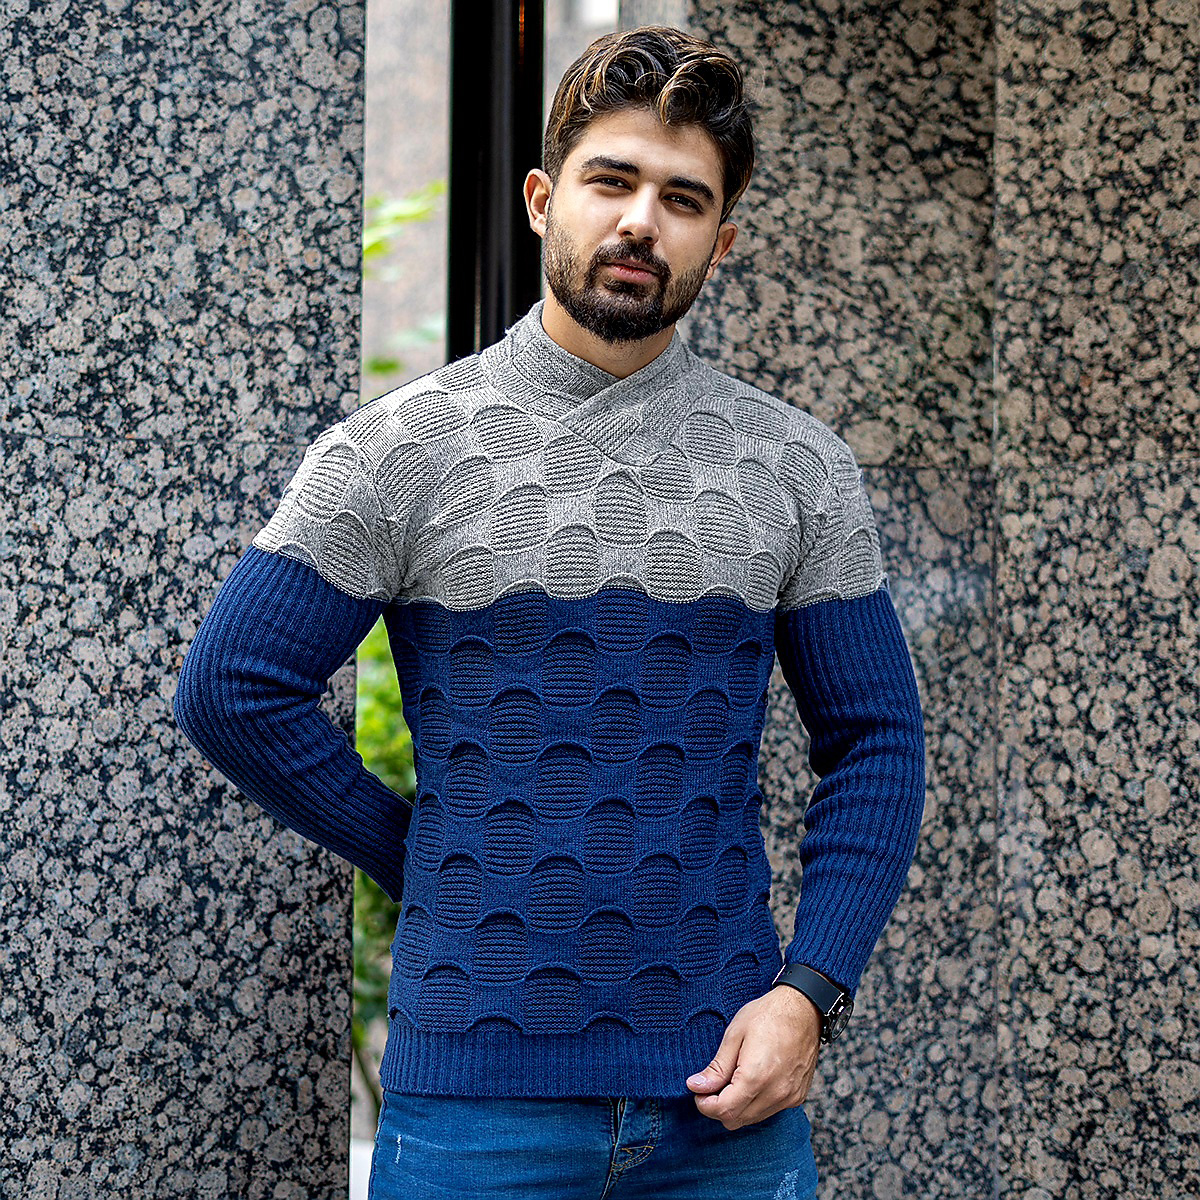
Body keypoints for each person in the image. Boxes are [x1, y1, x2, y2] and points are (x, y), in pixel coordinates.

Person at [173, 25, 925, 1200]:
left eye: (683, 199)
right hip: (474, 1111)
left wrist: (810, 992)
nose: (641, 222)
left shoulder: (797, 466)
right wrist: (427, 853)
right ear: (541, 200)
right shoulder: (400, 449)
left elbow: (877, 737)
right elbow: (231, 690)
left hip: (726, 1102)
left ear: (722, 241)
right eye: (611, 181)